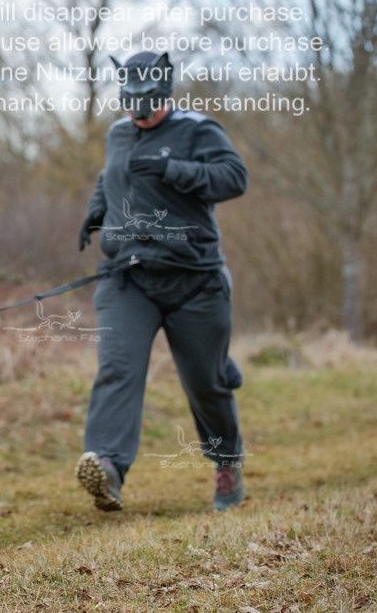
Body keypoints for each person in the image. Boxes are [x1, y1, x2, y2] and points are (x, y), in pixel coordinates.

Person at [75, 51, 248, 512]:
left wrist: (175, 170)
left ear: (163, 93)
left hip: (194, 280)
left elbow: (235, 178)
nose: (137, 109)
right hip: (128, 278)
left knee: (206, 383)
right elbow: (109, 175)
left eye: (145, 99)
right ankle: (108, 467)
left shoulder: (197, 130)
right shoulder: (117, 132)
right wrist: (97, 211)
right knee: (117, 368)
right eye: (129, 98)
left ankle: (227, 463)